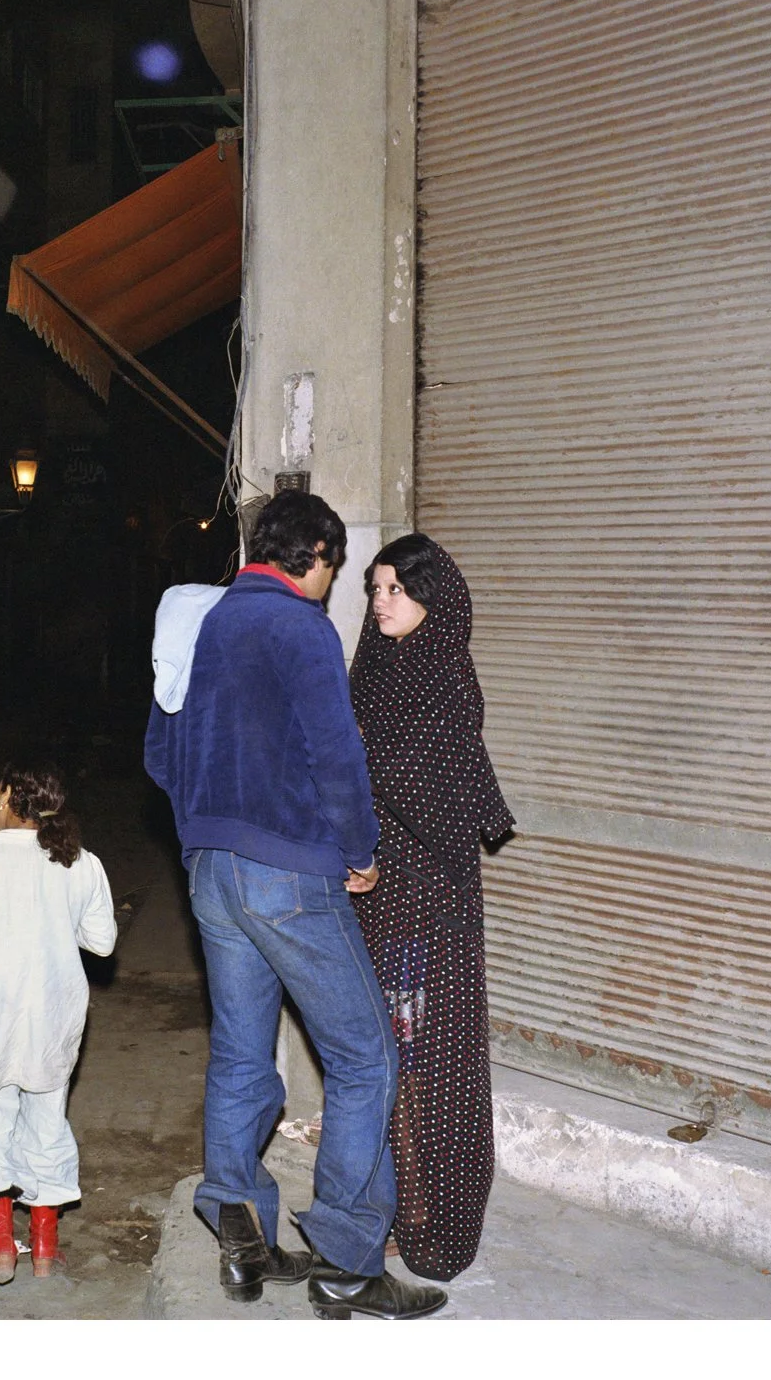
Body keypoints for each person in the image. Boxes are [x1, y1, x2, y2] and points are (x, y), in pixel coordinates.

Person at [145, 490, 447, 1321]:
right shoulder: (300, 628)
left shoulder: (203, 621)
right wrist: (359, 852)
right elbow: (337, 754)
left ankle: (240, 1233)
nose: (332, 586)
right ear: (312, 554)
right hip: (288, 874)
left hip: (210, 871)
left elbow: (160, 749)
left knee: (244, 1056)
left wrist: (204, 832)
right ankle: (349, 1259)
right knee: (365, 1058)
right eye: (334, 570)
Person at [348, 533, 514, 1282]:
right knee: (382, 1055)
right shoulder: (374, 667)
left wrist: (361, 770)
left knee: (421, 1058)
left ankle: (430, 1219)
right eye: (375, 590)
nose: (381, 603)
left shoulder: (444, 674)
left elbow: (440, 798)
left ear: (430, 598)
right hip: (376, 896)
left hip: (427, 899)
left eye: (395, 590)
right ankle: (395, 1207)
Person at [0, 764, 118, 1299]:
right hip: (53, 1014)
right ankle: (46, 1245)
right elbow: (101, 943)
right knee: (46, 1122)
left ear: (9, 798)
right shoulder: (80, 861)